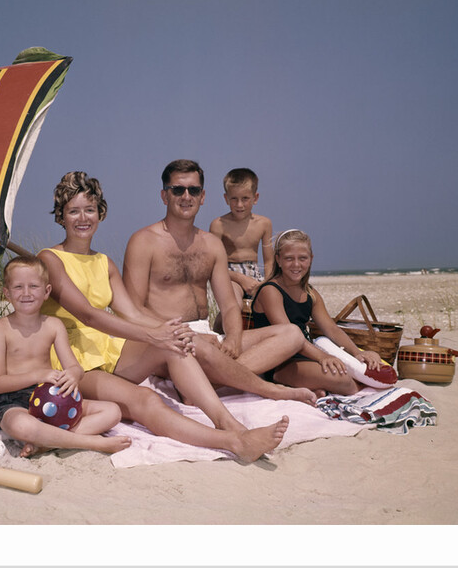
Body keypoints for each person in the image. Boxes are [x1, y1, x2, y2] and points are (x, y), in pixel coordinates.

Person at [37, 171, 291, 463]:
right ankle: (232, 442)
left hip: (109, 350)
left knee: (174, 343)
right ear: (61, 216)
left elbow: (130, 312)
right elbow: (89, 315)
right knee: (146, 399)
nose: (83, 218)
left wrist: (172, 331)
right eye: (74, 211)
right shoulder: (50, 260)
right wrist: (150, 334)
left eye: (90, 210)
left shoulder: (103, 262)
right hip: (73, 363)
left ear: (100, 213)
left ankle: (228, 422)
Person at [121, 159, 316, 405]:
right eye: (177, 189)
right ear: (164, 195)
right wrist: (186, 333)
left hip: (209, 336)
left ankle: (204, 385)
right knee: (197, 346)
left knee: (292, 334)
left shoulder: (211, 245)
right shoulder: (143, 241)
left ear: (203, 196)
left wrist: (234, 337)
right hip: (167, 339)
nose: (186, 196)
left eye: (193, 190)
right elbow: (133, 310)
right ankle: (266, 389)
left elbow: (230, 305)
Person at [0, 256, 132, 457]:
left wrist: (72, 375)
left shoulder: (53, 325)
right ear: (7, 293)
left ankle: (45, 443)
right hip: (14, 401)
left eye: (34, 286)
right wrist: (40, 375)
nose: (26, 293)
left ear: (46, 292)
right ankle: (91, 443)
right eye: (18, 287)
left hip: (52, 396)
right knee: (22, 425)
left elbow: (74, 368)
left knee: (112, 412)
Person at [249, 228, 383, 396]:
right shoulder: (271, 291)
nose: (296, 265)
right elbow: (288, 338)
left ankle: (312, 387)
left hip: (306, 355)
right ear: (278, 260)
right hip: (278, 363)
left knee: (351, 372)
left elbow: (332, 329)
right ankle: (288, 382)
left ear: (311, 259)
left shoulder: (310, 294)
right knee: (342, 379)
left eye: (302, 258)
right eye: (289, 258)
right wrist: (322, 357)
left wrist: (358, 353)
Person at [209, 167, 274, 310]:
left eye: (245, 198)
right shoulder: (218, 225)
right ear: (226, 198)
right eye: (234, 199)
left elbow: (269, 261)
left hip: (255, 274)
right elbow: (212, 264)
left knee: (271, 305)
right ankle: (219, 329)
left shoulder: (264, 224)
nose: (239, 205)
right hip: (229, 275)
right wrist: (240, 278)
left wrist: (268, 284)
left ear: (255, 198)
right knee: (235, 305)